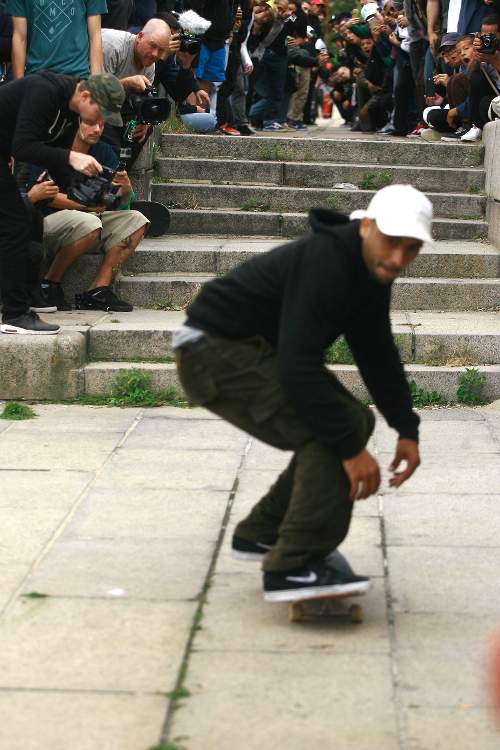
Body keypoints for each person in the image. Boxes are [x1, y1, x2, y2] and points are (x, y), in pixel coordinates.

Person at [174, 185, 426, 603]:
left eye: (412, 248)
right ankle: (293, 565)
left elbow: (377, 352)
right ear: (366, 227)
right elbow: (297, 365)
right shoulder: (328, 261)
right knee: (333, 430)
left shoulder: (368, 268)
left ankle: (262, 533)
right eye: (392, 242)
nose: (399, 259)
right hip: (212, 350)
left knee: (353, 420)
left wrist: (406, 428)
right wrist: (349, 451)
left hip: (239, 348)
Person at [0, 70, 125, 334]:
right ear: (86, 95)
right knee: (13, 225)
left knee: (29, 219)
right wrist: (71, 157)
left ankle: (29, 295)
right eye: (99, 114)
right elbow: (23, 147)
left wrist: (88, 191)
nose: (100, 123)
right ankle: (13, 315)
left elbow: (50, 155)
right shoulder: (44, 91)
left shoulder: (69, 108)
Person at [25, 118, 149, 313]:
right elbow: (45, 195)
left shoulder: (104, 151)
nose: (97, 129)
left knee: (136, 220)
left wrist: (125, 189)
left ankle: (98, 289)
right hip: (46, 219)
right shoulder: (52, 148)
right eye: (91, 123)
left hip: (89, 218)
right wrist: (87, 206)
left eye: (101, 124)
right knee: (89, 222)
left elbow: (116, 203)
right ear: (76, 122)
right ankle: (49, 284)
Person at [101, 18, 172, 164]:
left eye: (161, 50)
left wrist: (145, 121)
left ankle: (121, 173)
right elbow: (94, 92)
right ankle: (113, 173)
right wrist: (126, 83)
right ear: (139, 37)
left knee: (141, 131)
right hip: (89, 100)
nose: (155, 54)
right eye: (152, 46)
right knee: (111, 138)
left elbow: (145, 102)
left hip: (117, 105)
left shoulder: (150, 65)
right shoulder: (113, 46)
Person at [8, 0, 106, 79]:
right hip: (36, 77)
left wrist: (95, 82)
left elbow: (95, 35)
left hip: (77, 76)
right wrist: (19, 85)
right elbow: (19, 37)